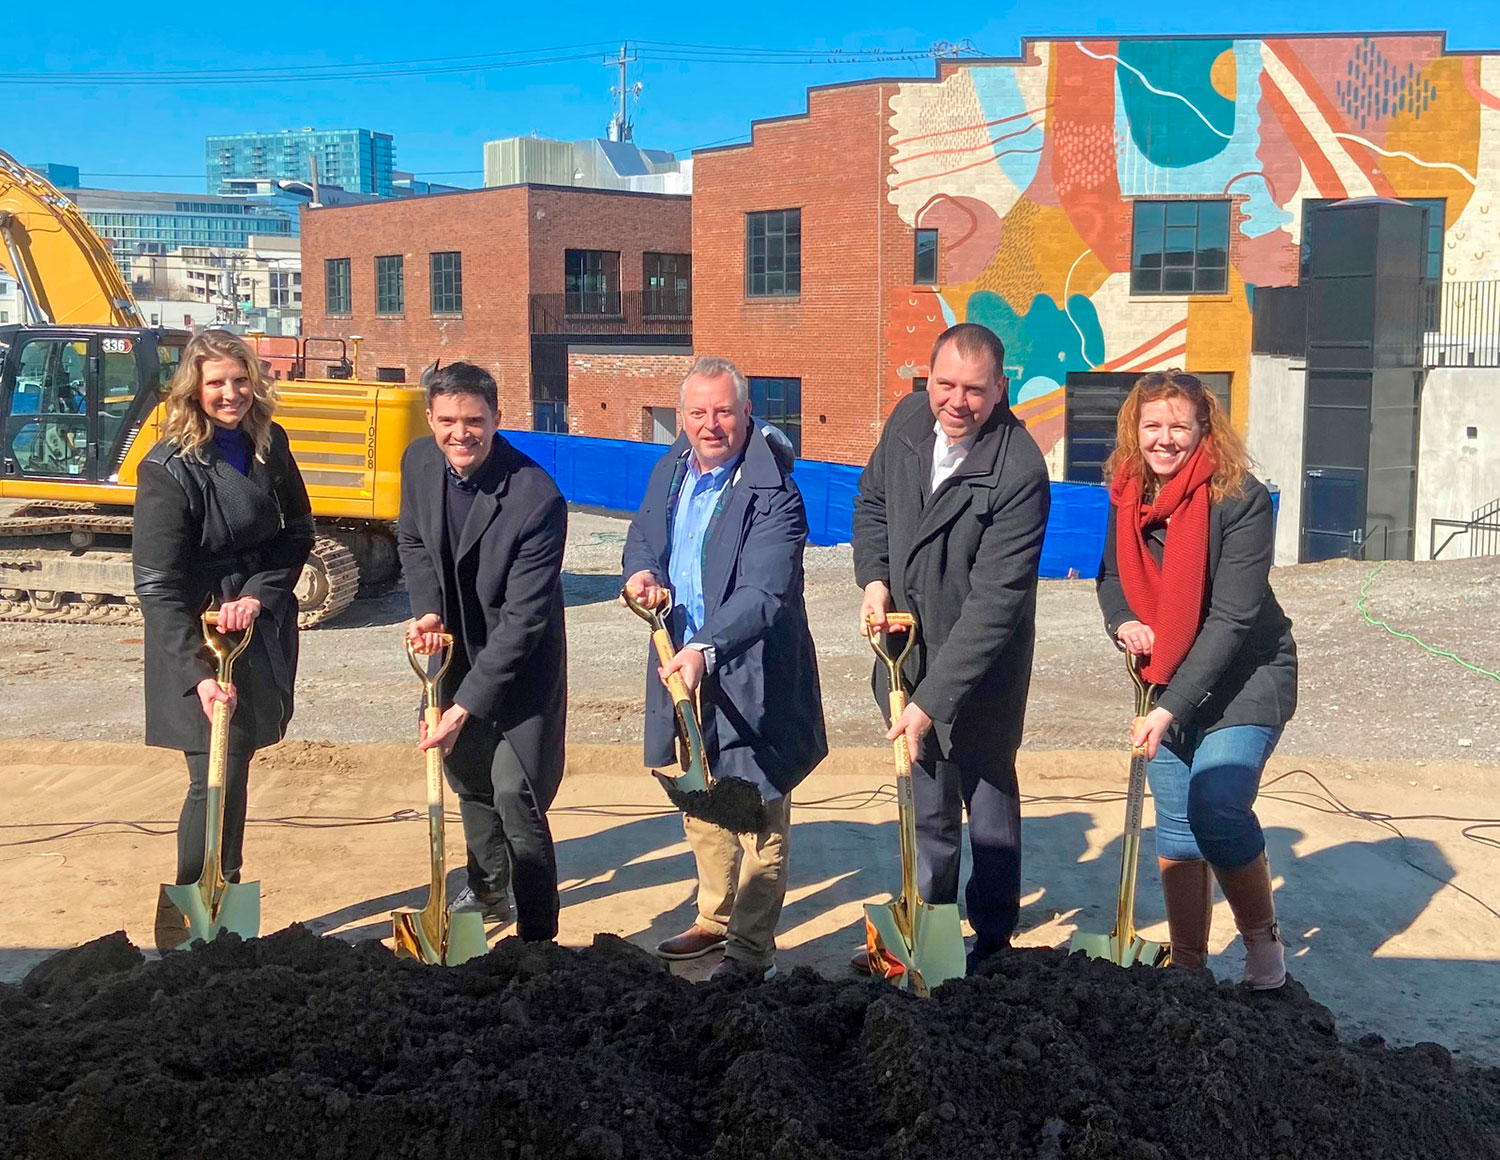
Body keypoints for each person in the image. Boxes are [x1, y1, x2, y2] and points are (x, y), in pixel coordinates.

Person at [851, 322, 1050, 973]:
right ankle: (925, 942)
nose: (956, 402)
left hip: (982, 672)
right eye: (944, 385)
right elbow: (872, 503)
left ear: (1000, 389)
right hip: (909, 654)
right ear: (927, 378)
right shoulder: (908, 421)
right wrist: (874, 579)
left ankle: (993, 942)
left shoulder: (1018, 470)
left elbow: (996, 605)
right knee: (928, 808)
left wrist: (933, 701)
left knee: (988, 806)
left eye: (973, 389)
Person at [623, 355, 827, 983]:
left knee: (758, 810)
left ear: (746, 413)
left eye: (724, 411)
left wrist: (705, 650)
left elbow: (763, 594)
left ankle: (748, 949)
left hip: (750, 670)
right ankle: (713, 919)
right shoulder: (670, 469)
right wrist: (642, 577)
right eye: (698, 412)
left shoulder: (776, 493)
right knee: (700, 794)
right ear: (682, 416)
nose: (711, 424)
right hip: (676, 659)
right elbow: (643, 538)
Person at [1096, 369, 1297, 989]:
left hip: (1245, 678)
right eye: (1152, 425)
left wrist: (1168, 708)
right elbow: (1109, 577)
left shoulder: (1240, 498)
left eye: (1178, 426)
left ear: (1203, 428)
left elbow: (1232, 617)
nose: (1164, 439)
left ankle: (1264, 950)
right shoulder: (1128, 493)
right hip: (1168, 677)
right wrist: (1124, 620)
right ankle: (1189, 965)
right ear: (1136, 429)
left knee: (1217, 808)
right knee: (1178, 825)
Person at [134, 330, 314, 894]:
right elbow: (157, 583)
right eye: (217, 383)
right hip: (198, 640)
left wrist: (260, 594)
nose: (231, 394)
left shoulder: (268, 443)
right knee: (211, 777)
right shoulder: (168, 468)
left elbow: (297, 531)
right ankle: (201, 894)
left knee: (233, 768)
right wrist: (197, 677)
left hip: (252, 630)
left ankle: (223, 893)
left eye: (240, 380)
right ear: (194, 389)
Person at [397, 362, 567, 942]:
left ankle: (538, 934)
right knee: (468, 780)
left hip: (519, 667)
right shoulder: (419, 462)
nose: (460, 434)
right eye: (447, 420)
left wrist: (463, 708)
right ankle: (489, 890)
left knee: (515, 795)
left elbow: (523, 621)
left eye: (474, 420)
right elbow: (413, 539)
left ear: (497, 419)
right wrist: (427, 611)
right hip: (454, 652)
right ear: (431, 419)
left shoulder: (536, 497)